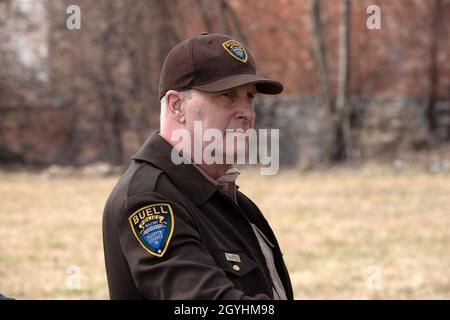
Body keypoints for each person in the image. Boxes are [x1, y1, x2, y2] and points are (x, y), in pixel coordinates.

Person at [102, 32, 293, 300]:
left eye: (249, 97)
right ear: (177, 105)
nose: (246, 113)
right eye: (227, 95)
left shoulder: (232, 201)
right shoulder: (148, 199)